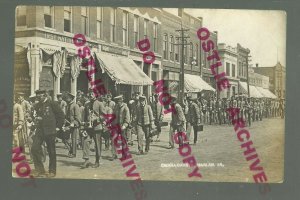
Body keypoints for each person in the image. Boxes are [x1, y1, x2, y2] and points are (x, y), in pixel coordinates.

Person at [31, 89, 65, 178]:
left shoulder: (52, 103)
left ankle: (52, 171)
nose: (38, 98)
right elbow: (35, 115)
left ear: (45, 95)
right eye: (37, 96)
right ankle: (39, 170)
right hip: (40, 131)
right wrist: (34, 118)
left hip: (50, 131)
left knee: (51, 151)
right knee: (34, 148)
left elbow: (61, 116)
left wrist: (58, 127)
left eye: (40, 96)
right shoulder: (37, 105)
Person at [65, 92, 81, 158]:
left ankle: (74, 153)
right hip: (67, 123)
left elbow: (77, 116)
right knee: (65, 137)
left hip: (73, 124)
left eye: (68, 98)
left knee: (73, 138)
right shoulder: (67, 105)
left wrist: (74, 123)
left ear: (71, 98)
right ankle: (70, 150)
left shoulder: (75, 105)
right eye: (66, 98)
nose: (66, 99)